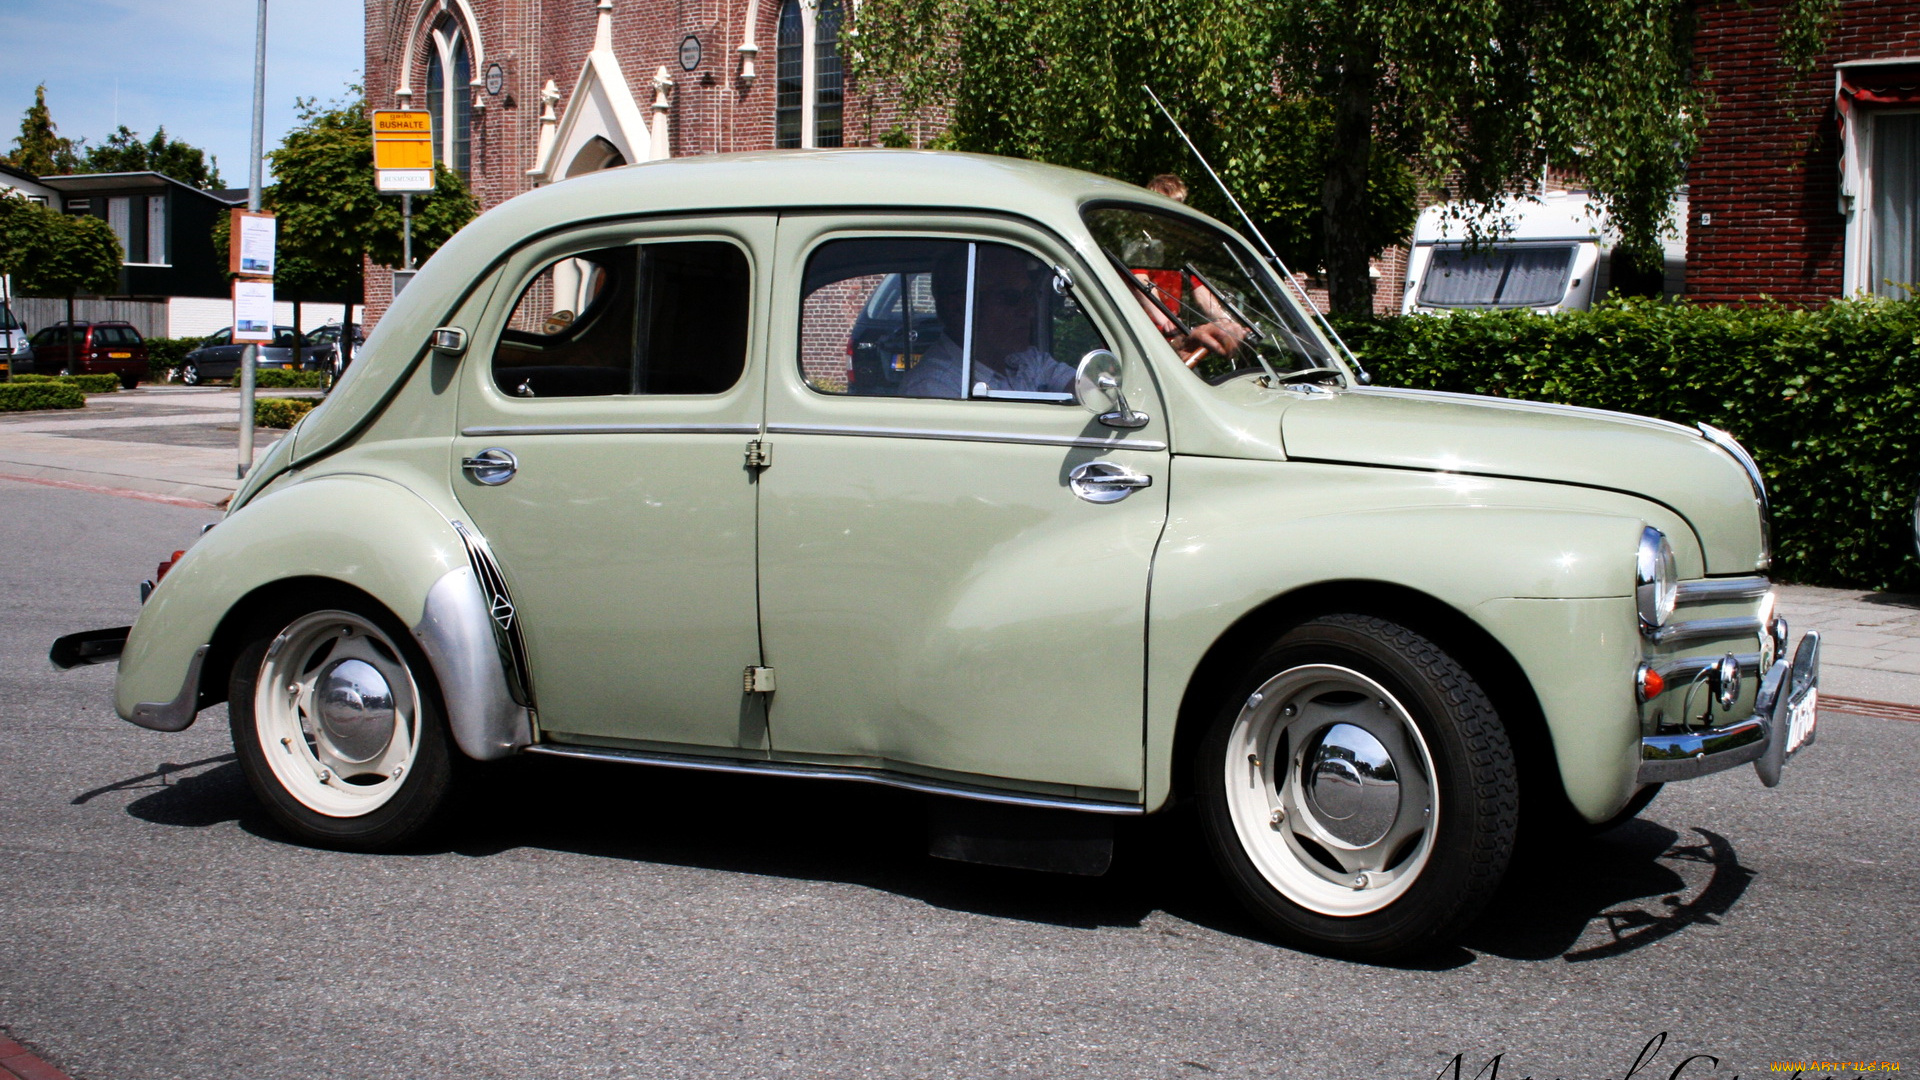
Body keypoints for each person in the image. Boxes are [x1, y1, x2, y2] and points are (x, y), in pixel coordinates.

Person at [899, 244, 1076, 398]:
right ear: (958, 308)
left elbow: (1085, 389)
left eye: (1029, 295)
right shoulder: (935, 388)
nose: (1029, 311)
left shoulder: (1025, 360)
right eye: (1010, 297)